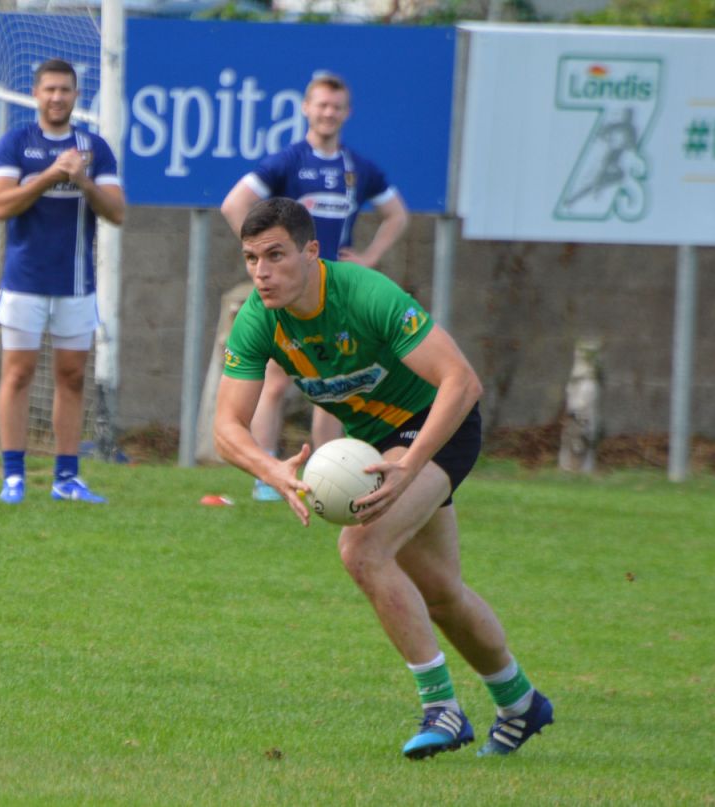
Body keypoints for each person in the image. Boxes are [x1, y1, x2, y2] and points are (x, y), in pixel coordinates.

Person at [214, 197, 553, 760]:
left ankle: (440, 707)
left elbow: (462, 383)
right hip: (376, 446)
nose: (262, 273)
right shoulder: (259, 319)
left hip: (437, 429)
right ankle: (520, 702)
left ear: (312, 252)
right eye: (251, 258)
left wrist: (410, 466)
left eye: (275, 256)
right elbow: (227, 427)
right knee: (442, 595)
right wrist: (270, 468)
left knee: (361, 548)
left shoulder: (366, 295)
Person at [220, 71, 409, 502]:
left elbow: (398, 214)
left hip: (334, 291)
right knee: (275, 381)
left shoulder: (357, 167)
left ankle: (331, 475)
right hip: (290, 293)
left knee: (335, 385)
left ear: (347, 112)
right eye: (321, 105)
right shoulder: (289, 161)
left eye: (336, 106)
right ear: (306, 108)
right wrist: (265, 257)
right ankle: (267, 473)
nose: (328, 113)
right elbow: (234, 203)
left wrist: (370, 258)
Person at [0, 58, 125, 504]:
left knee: (72, 376)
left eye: (65, 90)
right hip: (24, 279)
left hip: (75, 282)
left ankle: (66, 477)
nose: (57, 97)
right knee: (18, 374)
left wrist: (81, 179)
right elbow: (0, 206)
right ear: (35, 94)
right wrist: (49, 175)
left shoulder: (94, 148)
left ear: (76, 96)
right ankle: (13, 476)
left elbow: (117, 212)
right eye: (49, 90)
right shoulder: (15, 144)